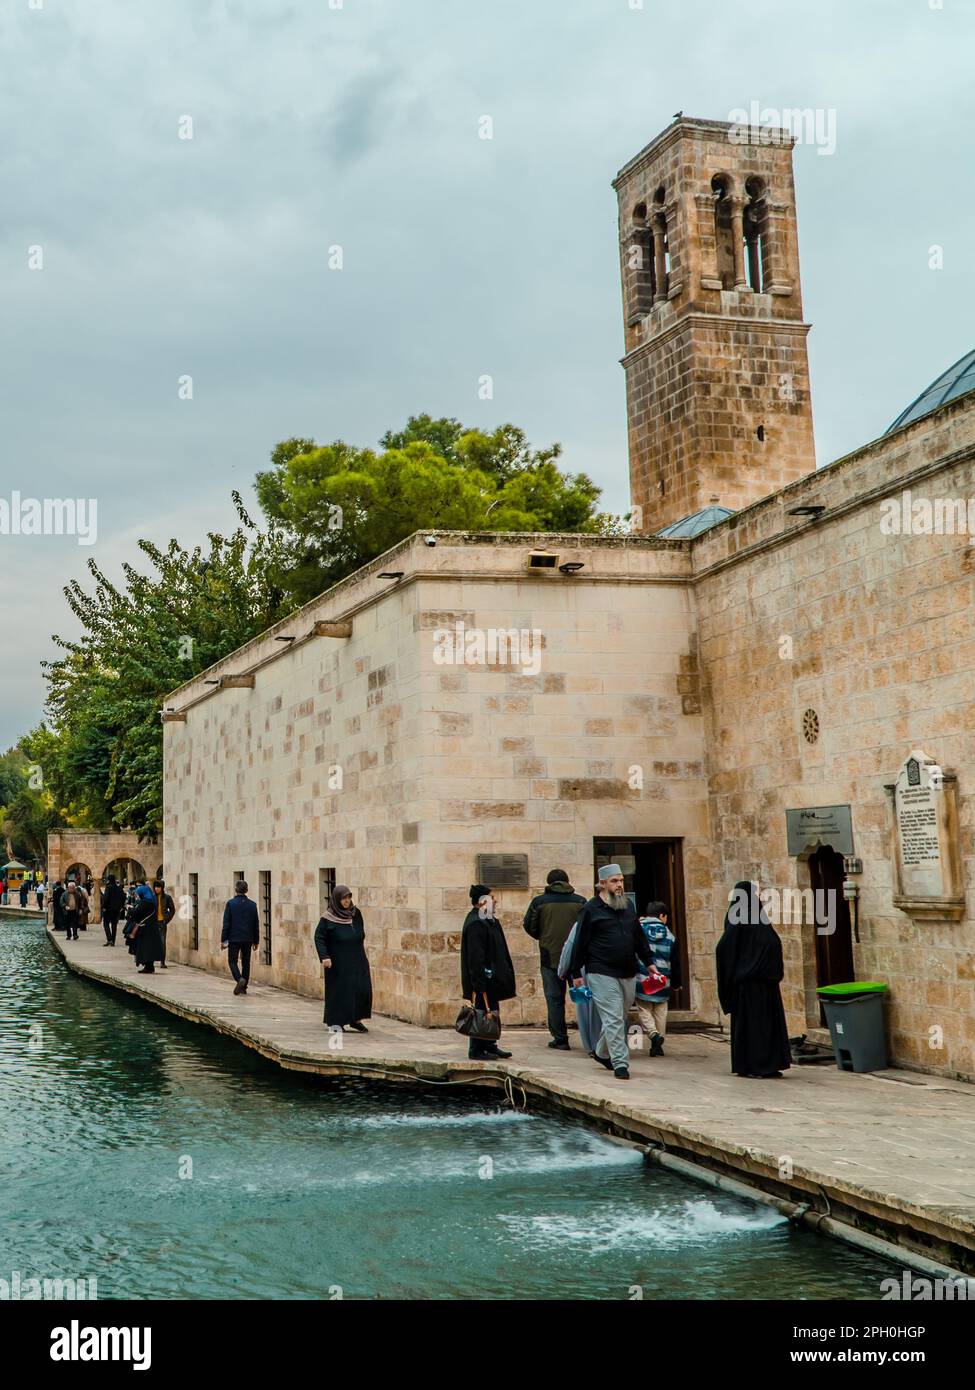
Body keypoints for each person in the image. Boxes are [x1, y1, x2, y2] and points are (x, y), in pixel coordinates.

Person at [569, 864, 651, 1080]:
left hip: (627, 971)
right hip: (600, 971)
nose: (619, 885)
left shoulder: (628, 906)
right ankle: (621, 1063)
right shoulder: (590, 909)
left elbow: (638, 937)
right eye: (615, 881)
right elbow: (580, 943)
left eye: (621, 880)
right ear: (602, 884)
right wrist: (575, 972)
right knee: (614, 1018)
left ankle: (601, 1052)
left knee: (619, 1016)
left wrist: (649, 963)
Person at [715, 880, 791, 1079]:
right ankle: (759, 1065)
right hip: (756, 985)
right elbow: (727, 947)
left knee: (758, 1026)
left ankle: (760, 1064)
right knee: (759, 1026)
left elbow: (727, 947)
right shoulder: (749, 917)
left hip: (755, 984)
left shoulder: (746, 916)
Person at [523, 869, 587, 1050]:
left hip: (549, 957)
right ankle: (590, 1036)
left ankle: (560, 1039)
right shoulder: (580, 902)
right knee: (583, 999)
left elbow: (529, 926)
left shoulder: (539, 902)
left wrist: (544, 936)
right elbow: (588, 927)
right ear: (567, 881)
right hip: (577, 959)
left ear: (549, 883)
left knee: (554, 999)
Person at [459, 885, 516, 1061]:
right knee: (481, 1012)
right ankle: (476, 1049)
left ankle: (490, 1044)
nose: (496, 900)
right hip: (483, 977)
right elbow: (475, 957)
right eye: (492, 897)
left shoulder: (488, 919)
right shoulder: (476, 922)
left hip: (493, 977)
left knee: (491, 1011)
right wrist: (479, 982)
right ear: (483, 901)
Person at [314, 885, 373, 1031]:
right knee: (340, 991)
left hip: (357, 957)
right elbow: (319, 937)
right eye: (343, 898)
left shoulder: (355, 913)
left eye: (348, 897)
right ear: (336, 899)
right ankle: (336, 1022)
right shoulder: (328, 917)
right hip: (338, 961)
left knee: (361, 988)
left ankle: (355, 1019)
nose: (347, 901)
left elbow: (360, 930)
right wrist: (324, 957)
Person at [632, 900, 682, 1057]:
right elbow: (676, 962)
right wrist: (676, 983)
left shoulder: (639, 930)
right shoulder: (670, 936)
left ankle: (653, 1034)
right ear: (662, 916)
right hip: (663, 980)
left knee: (643, 1008)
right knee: (661, 1011)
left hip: (643, 977)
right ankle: (659, 1042)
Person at [558, 920, 603, 1056]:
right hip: (612, 969)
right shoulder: (622, 919)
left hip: (588, 968)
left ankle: (593, 1046)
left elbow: (570, 946)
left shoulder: (584, 921)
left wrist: (563, 969)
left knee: (587, 1008)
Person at [221, 879, 260, 995]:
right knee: (246, 962)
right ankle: (244, 987)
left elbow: (226, 924)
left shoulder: (230, 904)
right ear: (246, 890)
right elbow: (256, 925)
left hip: (234, 938)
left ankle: (239, 979)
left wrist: (223, 940)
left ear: (236, 890)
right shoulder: (253, 905)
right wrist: (256, 941)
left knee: (232, 961)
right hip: (247, 938)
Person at [130, 879, 164, 974]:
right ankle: (150, 966)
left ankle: (148, 967)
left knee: (145, 948)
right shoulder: (152, 901)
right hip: (152, 927)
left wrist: (131, 910)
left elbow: (136, 914)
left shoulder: (144, 903)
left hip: (145, 929)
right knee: (150, 948)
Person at [152, 878, 177, 967]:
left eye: (158, 887)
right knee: (153, 942)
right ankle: (151, 960)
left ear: (162, 888)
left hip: (162, 923)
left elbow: (172, 910)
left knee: (162, 942)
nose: (156, 889)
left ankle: (162, 961)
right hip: (153, 923)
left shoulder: (167, 897)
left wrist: (167, 919)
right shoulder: (152, 897)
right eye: (155, 887)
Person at [101, 874, 126, 946]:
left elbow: (106, 898)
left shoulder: (108, 888)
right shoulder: (119, 888)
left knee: (106, 924)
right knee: (114, 925)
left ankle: (109, 939)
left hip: (108, 909)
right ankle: (113, 941)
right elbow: (123, 897)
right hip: (116, 909)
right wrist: (121, 906)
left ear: (109, 880)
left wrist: (104, 907)